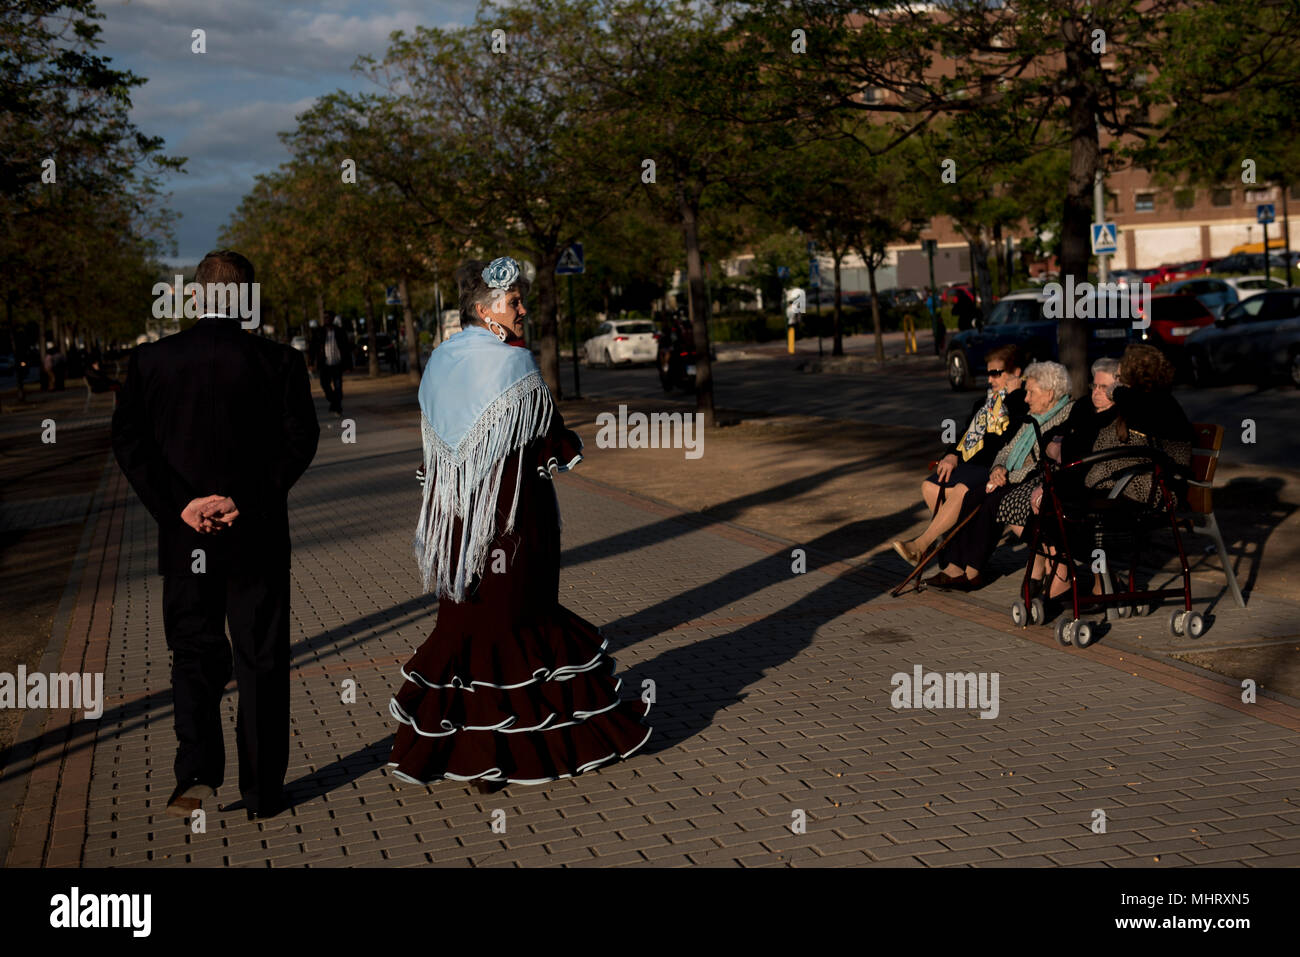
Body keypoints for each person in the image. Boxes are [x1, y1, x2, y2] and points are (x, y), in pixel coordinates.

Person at [387, 256, 652, 791]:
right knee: (518, 620)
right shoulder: (513, 362)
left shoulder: (440, 360)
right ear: (485, 311)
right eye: (514, 303)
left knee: (469, 624)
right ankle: (512, 750)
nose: (523, 310)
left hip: (457, 520)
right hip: (512, 520)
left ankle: (466, 752)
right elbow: (552, 444)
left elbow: (436, 452)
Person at [111, 249, 319, 821]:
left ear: (196, 297)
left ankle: (197, 772)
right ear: (247, 299)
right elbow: (299, 441)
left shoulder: (151, 362)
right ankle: (262, 792)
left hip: (186, 542)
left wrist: (179, 506)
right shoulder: (280, 362)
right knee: (261, 660)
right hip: (256, 537)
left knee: (194, 655)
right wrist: (243, 499)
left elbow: (130, 444)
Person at [1028, 347, 1193, 606]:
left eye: (1120, 376)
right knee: (1056, 500)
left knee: (1068, 506)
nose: (1113, 385)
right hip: (1122, 481)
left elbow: (1144, 449)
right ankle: (1096, 580)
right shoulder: (1135, 404)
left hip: (1150, 487)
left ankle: (1097, 582)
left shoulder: (1155, 403)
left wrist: (1114, 389)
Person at [924, 360, 1073, 591]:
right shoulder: (1034, 413)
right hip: (1007, 474)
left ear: (1050, 394)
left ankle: (972, 570)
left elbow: (1041, 464)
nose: (1026, 398)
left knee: (987, 499)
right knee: (974, 495)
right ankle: (955, 565)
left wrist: (1007, 476)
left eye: (1031, 392)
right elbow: (1007, 448)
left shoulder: (1062, 416)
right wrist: (998, 470)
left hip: (1032, 480)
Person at [892, 344, 1027, 565]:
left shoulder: (1021, 401)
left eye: (996, 373)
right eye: (988, 372)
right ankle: (952, 546)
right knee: (930, 486)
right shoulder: (984, 403)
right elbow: (964, 435)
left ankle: (921, 545)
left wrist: (1013, 395)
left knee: (960, 491)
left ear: (1016, 373)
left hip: (991, 468)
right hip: (969, 464)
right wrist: (951, 455)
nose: (990, 379)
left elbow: (1011, 438)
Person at [309, 311, 352, 416]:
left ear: (332, 319)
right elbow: (312, 348)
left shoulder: (340, 331)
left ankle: (337, 407)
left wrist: (348, 365)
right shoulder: (319, 332)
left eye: (328, 317)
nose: (326, 319)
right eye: (325, 317)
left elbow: (346, 348)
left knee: (338, 387)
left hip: (337, 363)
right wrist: (311, 362)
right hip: (325, 364)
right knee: (325, 385)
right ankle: (334, 402)